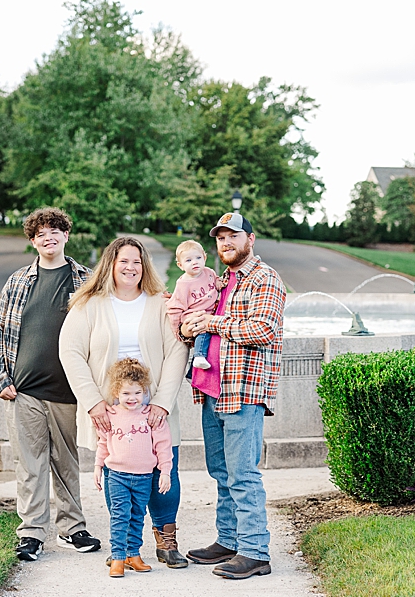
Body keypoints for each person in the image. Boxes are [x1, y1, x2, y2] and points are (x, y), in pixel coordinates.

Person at [59, 236, 189, 569]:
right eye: (123, 262)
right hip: (109, 410)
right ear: (110, 265)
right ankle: (125, 548)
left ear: (144, 266)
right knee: (118, 476)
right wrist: (92, 402)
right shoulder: (89, 304)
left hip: (154, 410)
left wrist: (162, 402)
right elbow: (70, 352)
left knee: (163, 469)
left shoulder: (162, 303)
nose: (130, 268)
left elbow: (178, 352)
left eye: (136, 262)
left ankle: (166, 538)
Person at [0, 207, 101, 562]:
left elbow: (103, 330)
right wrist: (0, 377)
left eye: (54, 230)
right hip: (23, 391)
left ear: (66, 235)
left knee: (67, 462)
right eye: (40, 234)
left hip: (69, 392)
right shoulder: (18, 281)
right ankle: (32, 534)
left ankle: (72, 528)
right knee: (30, 466)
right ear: (33, 241)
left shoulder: (87, 279)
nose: (47, 237)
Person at [179, 212, 285, 580]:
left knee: (242, 474)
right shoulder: (221, 281)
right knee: (221, 472)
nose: (226, 243)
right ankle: (229, 540)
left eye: (233, 236)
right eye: (221, 238)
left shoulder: (265, 278)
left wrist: (209, 323)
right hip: (212, 389)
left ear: (250, 240)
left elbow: (264, 329)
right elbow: (205, 328)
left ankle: (255, 552)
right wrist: (189, 328)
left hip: (243, 391)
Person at [94, 358, 173, 578]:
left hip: (144, 477)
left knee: (138, 516)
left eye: (138, 393)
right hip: (117, 476)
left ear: (145, 391)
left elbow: (163, 446)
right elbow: (102, 444)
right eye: (126, 393)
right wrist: (98, 467)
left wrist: (165, 471)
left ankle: (133, 554)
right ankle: (118, 558)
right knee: (120, 516)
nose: (132, 398)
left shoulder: (151, 416)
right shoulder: (110, 415)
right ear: (116, 392)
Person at [166, 240, 219, 370]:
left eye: (198, 258)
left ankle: (192, 373)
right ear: (180, 265)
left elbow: (216, 280)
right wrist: (176, 329)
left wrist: (219, 282)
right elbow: (175, 308)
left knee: (213, 341)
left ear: (204, 258)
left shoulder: (209, 272)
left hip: (211, 312)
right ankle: (199, 356)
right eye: (188, 260)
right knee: (203, 329)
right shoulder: (183, 284)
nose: (195, 262)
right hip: (193, 314)